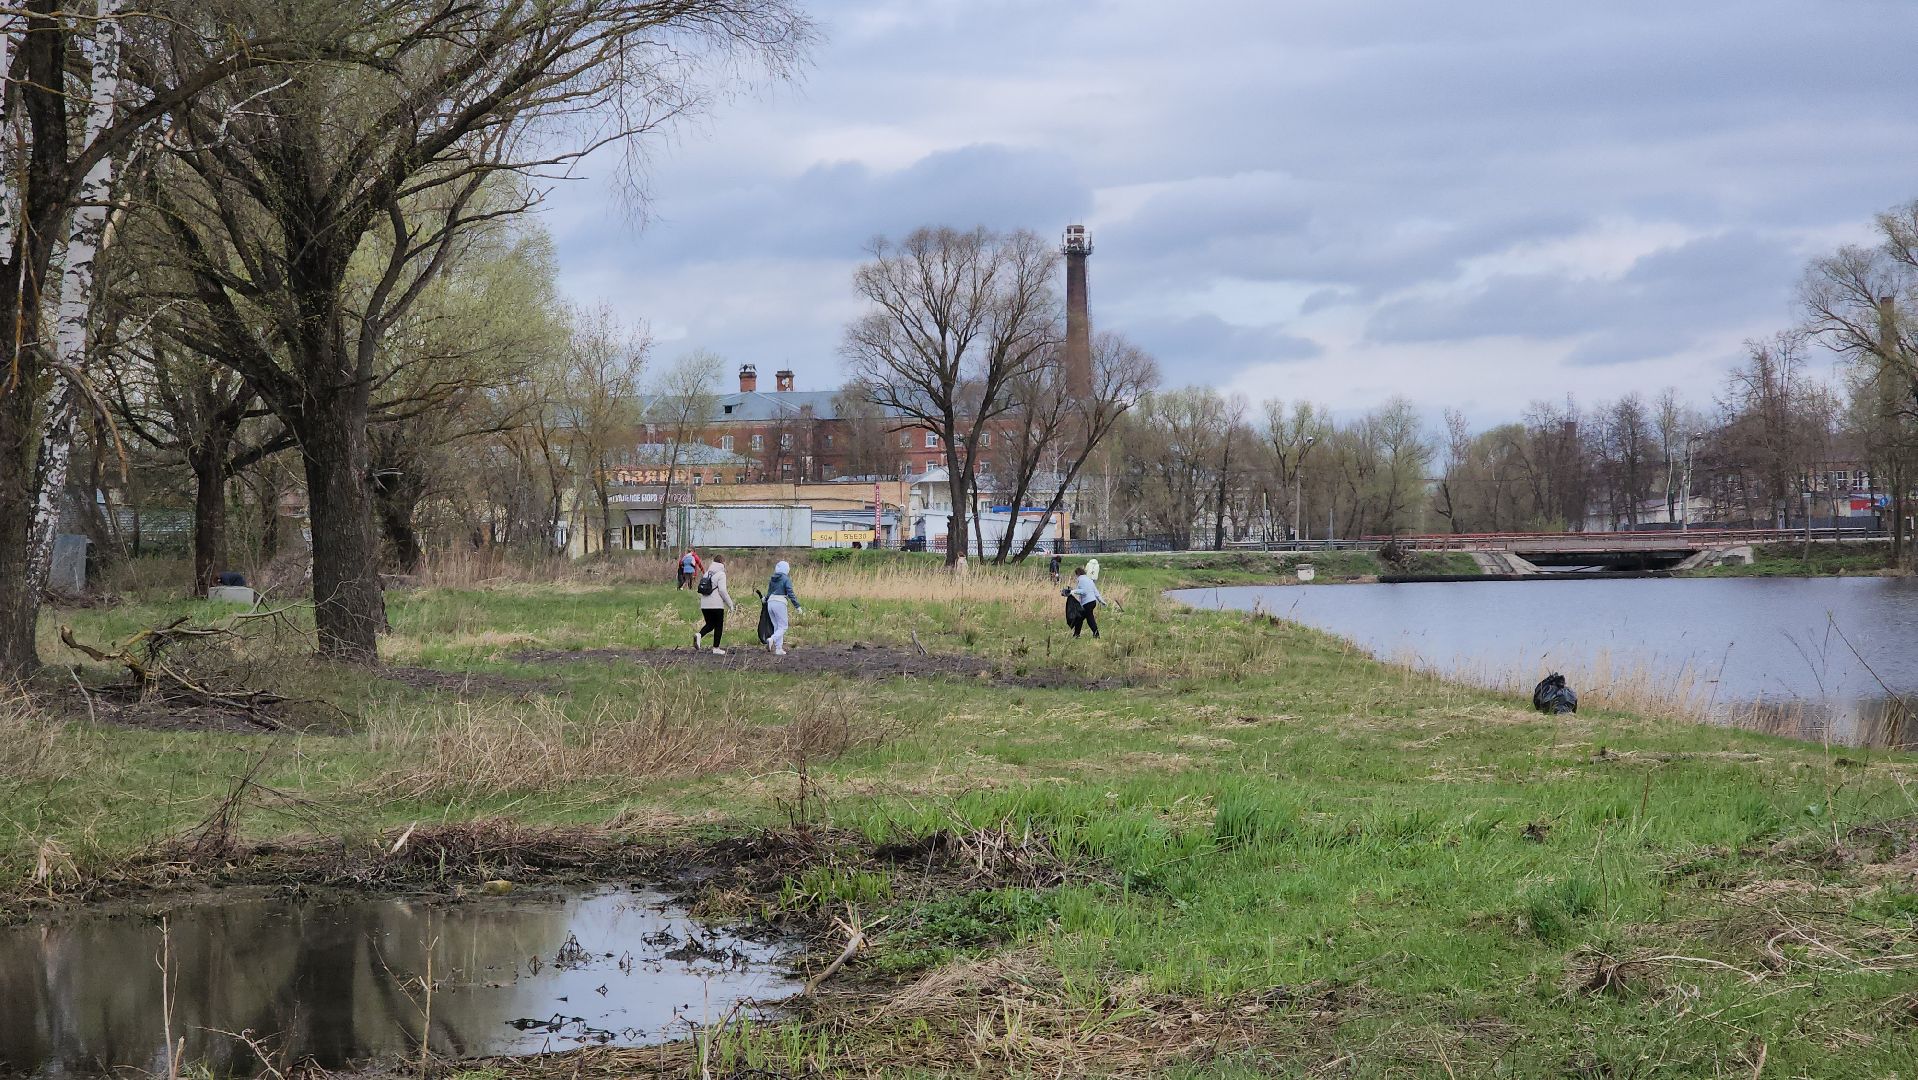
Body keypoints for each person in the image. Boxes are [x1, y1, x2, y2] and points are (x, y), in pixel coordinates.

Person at [693, 553, 735, 654]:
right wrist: (730, 604)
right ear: (722, 563)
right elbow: (722, 591)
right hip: (716, 605)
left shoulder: (707, 573)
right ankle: (716, 648)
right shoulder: (721, 574)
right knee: (718, 625)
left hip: (704, 604)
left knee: (710, 624)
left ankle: (699, 635)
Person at [764, 559, 801, 655]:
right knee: (783, 626)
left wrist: (765, 599)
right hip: (780, 603)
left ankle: (778, 649)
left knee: (777, 627)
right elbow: (790, 593)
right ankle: (771, 639)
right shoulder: (786, 579)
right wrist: (797, 606)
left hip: (770, 603)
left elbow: (769, 592)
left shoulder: (772, 578)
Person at [1070, 565, 1101, 639]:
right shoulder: (1089, 580)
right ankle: (1077, 634)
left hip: (1087, 603)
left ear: (1077, 574)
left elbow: (1083, 591)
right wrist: (1101, 601)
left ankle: (1095, 635)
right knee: (1082, 618)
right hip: (1093, 602)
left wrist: (1072, 591)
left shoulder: (1081, 580)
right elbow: (1096, 592)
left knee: (1087, 619)